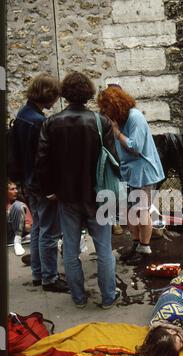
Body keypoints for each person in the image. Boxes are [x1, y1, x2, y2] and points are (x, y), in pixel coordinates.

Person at [36, 71, 119, 309]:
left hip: (67, 196)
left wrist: (50, 190)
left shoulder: (51, 122)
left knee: (70, 249)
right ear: (88, 93)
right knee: (104, 249)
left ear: (65, 94)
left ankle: (79, 298)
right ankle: (108, 297)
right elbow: (113, 159)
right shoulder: (100, 121)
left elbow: (42, 161)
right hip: (98, 194)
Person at [12, 73, 68, 291]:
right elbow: (44, 160)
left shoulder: (23, 115)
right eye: (55, 96)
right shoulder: (39, 122)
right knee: (49, 232)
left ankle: (38, 273)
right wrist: (52, 189)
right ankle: (49, 278)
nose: (56, 101)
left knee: (38, 227)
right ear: (47, 95)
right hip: (41, 183)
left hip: (28, 180)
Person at [97, 86, 165, 264]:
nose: (104, 111)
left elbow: (135, 147)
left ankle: (145, 248)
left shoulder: (135, 117)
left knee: (142, 211)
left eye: (106, 107)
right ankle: (135, 245)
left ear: (116, 104)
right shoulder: (119, 118)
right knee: (129, 212)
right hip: (128, 171)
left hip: (143, 172)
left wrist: (117, 133)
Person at [6, 180, 32, 256]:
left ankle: (17, 242)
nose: (16, 191)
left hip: (18, 236)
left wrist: (19, 221)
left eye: (16, 188)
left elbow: (29, 228)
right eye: (12, 189)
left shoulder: (20, 206)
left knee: (18, 205)